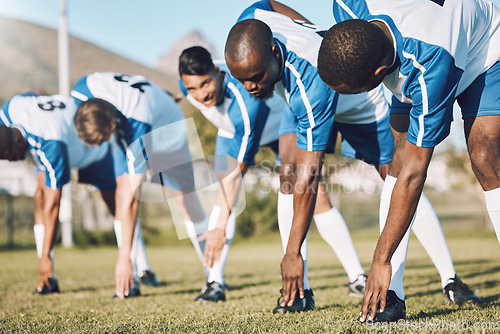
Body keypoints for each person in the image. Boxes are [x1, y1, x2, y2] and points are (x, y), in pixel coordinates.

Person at [226, 0, 481, 317]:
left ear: (275, 54)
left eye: (256, 75)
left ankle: (450, 277)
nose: (250, 86)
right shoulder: (250, 22)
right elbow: (268, 3)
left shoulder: (310, 80)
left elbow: (311, 176)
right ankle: (297, 292)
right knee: (288, 174)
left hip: (360, 102)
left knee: (397, 176)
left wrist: (292, 253)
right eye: (241, 79)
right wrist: (313, 31)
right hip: (303, 98)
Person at [317, 0, 500, 322]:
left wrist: (379, 259)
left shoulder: (432, 63)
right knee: (396, 157)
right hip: (422, 45)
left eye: (356, 90)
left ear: (378, 72)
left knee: (485, 156)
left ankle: (387, 274)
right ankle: (392, 296)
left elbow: (416, 174)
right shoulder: (348, 7)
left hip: (484, 50)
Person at [179, 45, 370, 309]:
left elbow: (237, 173)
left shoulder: (244, 105)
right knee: (224, 197)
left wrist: (219, 227)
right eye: (192, 89)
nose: (201, 95)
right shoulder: (186, 84)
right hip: (230, 131)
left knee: (314, 197)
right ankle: (215, 283)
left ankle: (357, 276)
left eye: (205, 84)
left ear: (217, 71)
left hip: (278, 126)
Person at [0, 91, 159, 295]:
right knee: (39, 197)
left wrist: (45, 258)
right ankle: (49, 280)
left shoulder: (50, 141)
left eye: (8, 155)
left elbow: (53, 205)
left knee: (120, 208)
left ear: (15, 140)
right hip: (56, 139)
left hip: (91, 151)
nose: (11, 160)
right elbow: (36, 94)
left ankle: (143, 269)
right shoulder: (8, 110)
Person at [71, 72, 209, 299]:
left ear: (113, 124)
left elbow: (134, 197)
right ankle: (131, 280)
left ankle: (213, 274)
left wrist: (123, 258)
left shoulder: (135, 126)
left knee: (184, 199)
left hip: (168, 127)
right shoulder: (80, 89)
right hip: (141, 110)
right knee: (119, 194)